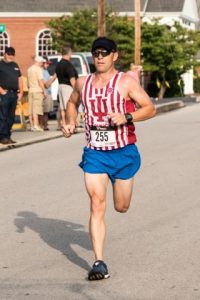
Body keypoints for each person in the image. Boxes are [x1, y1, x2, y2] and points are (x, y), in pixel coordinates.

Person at [62, 37, 156, 281]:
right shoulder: (83, 83)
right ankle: (99, 262)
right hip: (95, 153)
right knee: (96, 202)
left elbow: (149, 107)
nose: (100, 56)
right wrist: (70, 121)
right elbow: (72, 103)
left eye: (105, 52)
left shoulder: (125, 82)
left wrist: (127, 116)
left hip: (123, 153)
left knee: (121, 207)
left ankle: (120, 188)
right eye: (96, 53)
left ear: (115, 55)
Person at [0, 46, 23, 144]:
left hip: (14, 94)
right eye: (9, 54)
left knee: (11, 117)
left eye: (12, 54)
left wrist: (21, 92)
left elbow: (20, 79)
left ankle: (8, 136)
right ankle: (2, 137)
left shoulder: (15, 65)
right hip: (4, 94)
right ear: (4, 54)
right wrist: (1, 90)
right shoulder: (0, 64)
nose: (11, 56)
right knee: (3, 116)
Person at [55, 46, 78, 129]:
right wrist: (76, 89)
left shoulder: (59, 64)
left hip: (60, 86)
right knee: (69, 106)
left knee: (62, 108)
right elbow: (72, 78)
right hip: (67, 87)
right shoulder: (68, 64)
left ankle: (63, 123)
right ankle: (70, 124)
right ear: (69, 53)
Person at [27, 56, 46, 131]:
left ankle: (32, 126)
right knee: (36, 109)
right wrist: (44, 91)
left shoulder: (29, 69)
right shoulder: (38, 69)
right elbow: (40, 81)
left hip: (31, 90)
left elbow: (27, 83)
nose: (42, 63)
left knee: (31, 109)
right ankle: (36, 125)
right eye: (42, 62)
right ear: (39, 62)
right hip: (37, 90)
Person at [41, 57, 57, 130]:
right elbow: (46, 84)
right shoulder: (41, 72)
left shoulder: (46, 71)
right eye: (47, 63)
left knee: (47, 112)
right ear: (43, 63)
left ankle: (45, 125)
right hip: (45, 93)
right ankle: (43, 126)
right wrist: (54, 77)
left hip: (48, 93)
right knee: (44, 111)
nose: (48, 65)